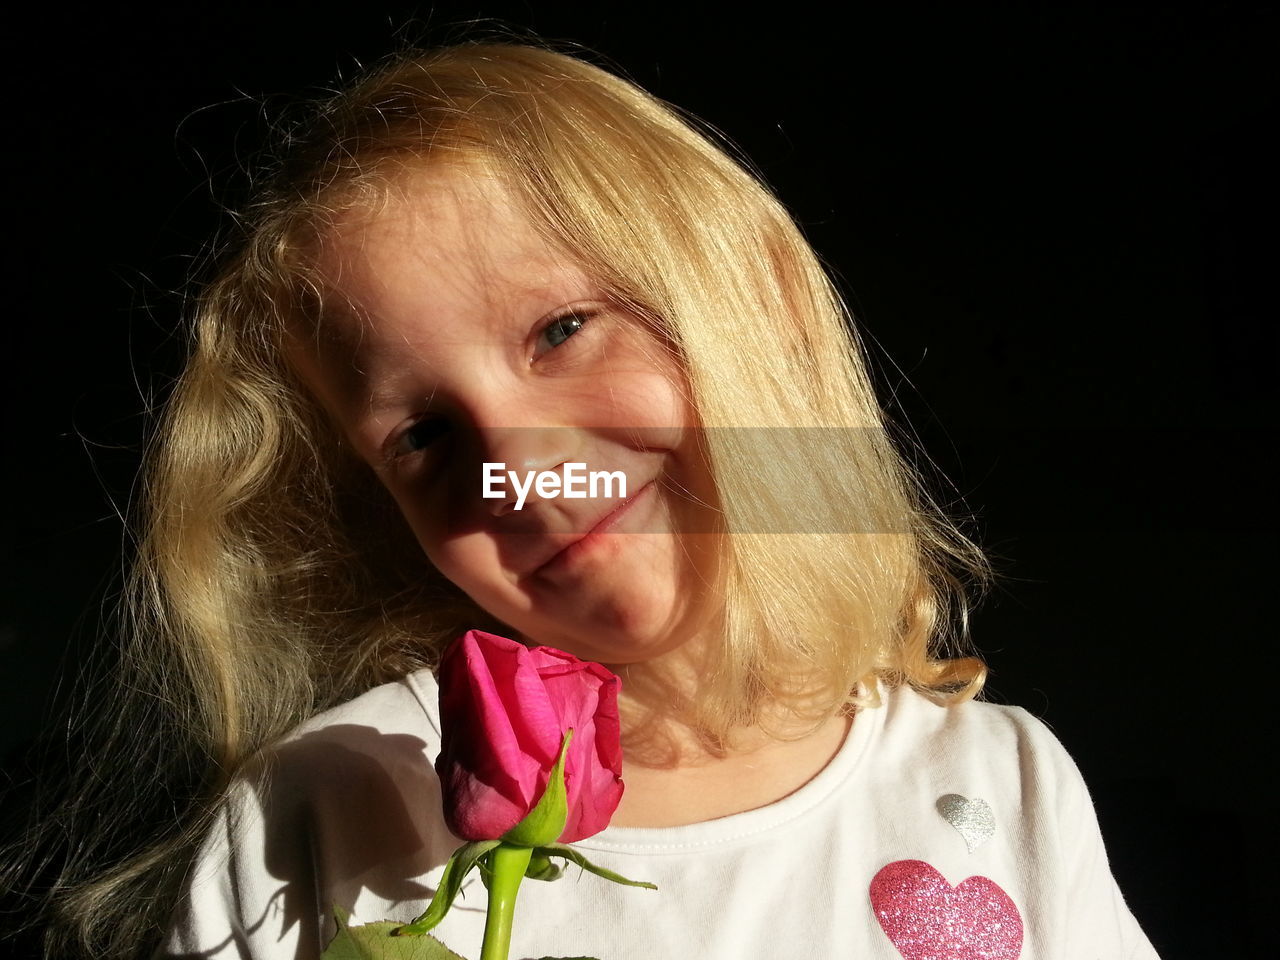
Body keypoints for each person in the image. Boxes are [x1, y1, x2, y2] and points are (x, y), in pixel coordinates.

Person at [5, 39, 1160, 960]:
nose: (520, 465)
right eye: (424, 435)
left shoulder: (999, 785)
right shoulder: (327, 807)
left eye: (562, 330)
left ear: (760, 305)